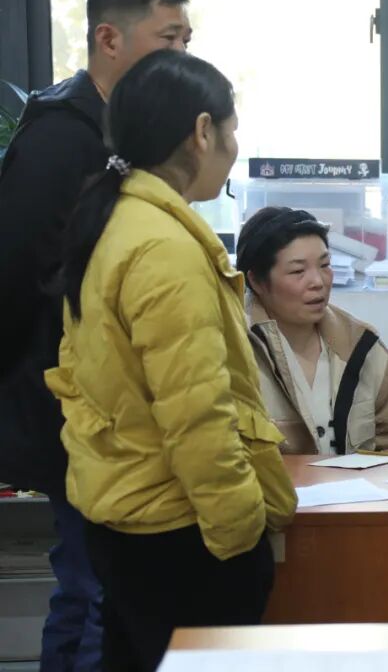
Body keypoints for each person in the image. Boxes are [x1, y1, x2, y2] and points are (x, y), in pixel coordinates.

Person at [43, 49, 296, 672]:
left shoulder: (118, 221)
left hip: (129, 513)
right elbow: (196, 415)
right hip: (182, 533)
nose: (234, 147)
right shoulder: (163, 248)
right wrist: (239, 535)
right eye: (232, 130)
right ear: (202, 131)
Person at [0, 0, 190, 670]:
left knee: (96, 593)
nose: (182, 54)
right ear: (109, 39)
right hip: (68, 408)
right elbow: (16, 278)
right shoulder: (62, 139)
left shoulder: (122, 135)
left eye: (188, 38)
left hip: (105, 408)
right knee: (93, 592)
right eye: (168, 37)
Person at [235, 206, 388, 454]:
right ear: (256, 281)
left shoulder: (361, 345)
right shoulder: (231, 347)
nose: (318, 282)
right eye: (298, 271)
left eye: (325, 265)